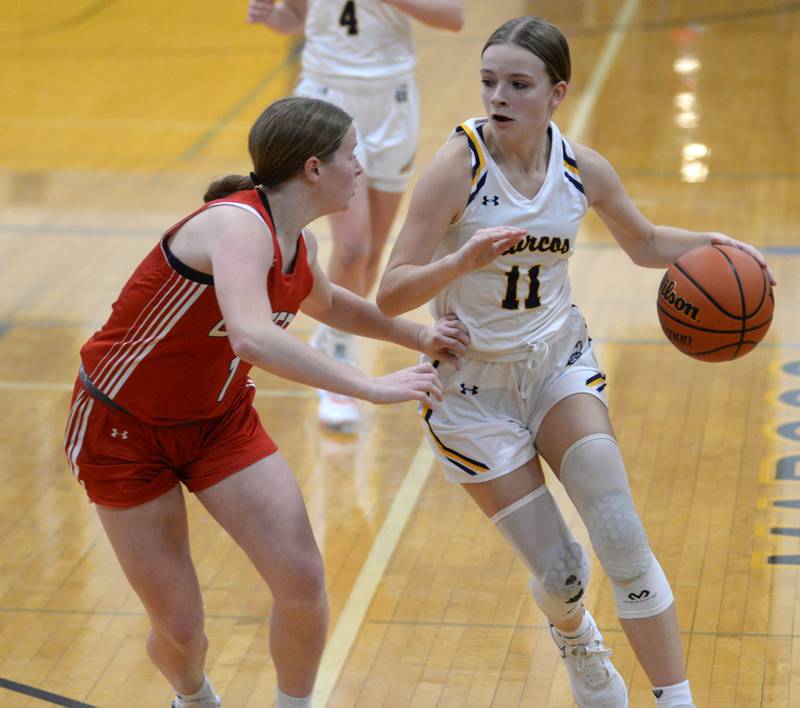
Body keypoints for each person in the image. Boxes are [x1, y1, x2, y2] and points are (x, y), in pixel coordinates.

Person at [376, 16, 776, 708]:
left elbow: (645, 241)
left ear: (556, 92)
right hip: (472, 391)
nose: (498, 96)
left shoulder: (580, 168)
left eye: (518, 84)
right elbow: (390, 291)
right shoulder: (458, 166)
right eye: (489, 81)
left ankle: (676, 699)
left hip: (557, 360)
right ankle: (576, 638)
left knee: (620, 533)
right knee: (563, 572)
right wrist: (460, 260)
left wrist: (715, 247)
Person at [63, 96, 469, 708]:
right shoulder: (236, 225)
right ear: (313, 168)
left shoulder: (295, 242)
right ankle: (194, 699)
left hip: (218, 423)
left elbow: (331, 306)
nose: (359, 168)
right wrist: (368, 385)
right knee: (180, 630)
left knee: (302, 578)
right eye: (350, 156)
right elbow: (253, 334)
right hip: (122, 430)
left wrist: (416, 335)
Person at [247, 0, 464, 431]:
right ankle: (337, 363)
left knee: (372, 253)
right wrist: (275, 18)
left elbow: (452, 17)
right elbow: (300, 16)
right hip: (326, 95)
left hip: (393, 98)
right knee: (352, 245)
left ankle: (333, 336)